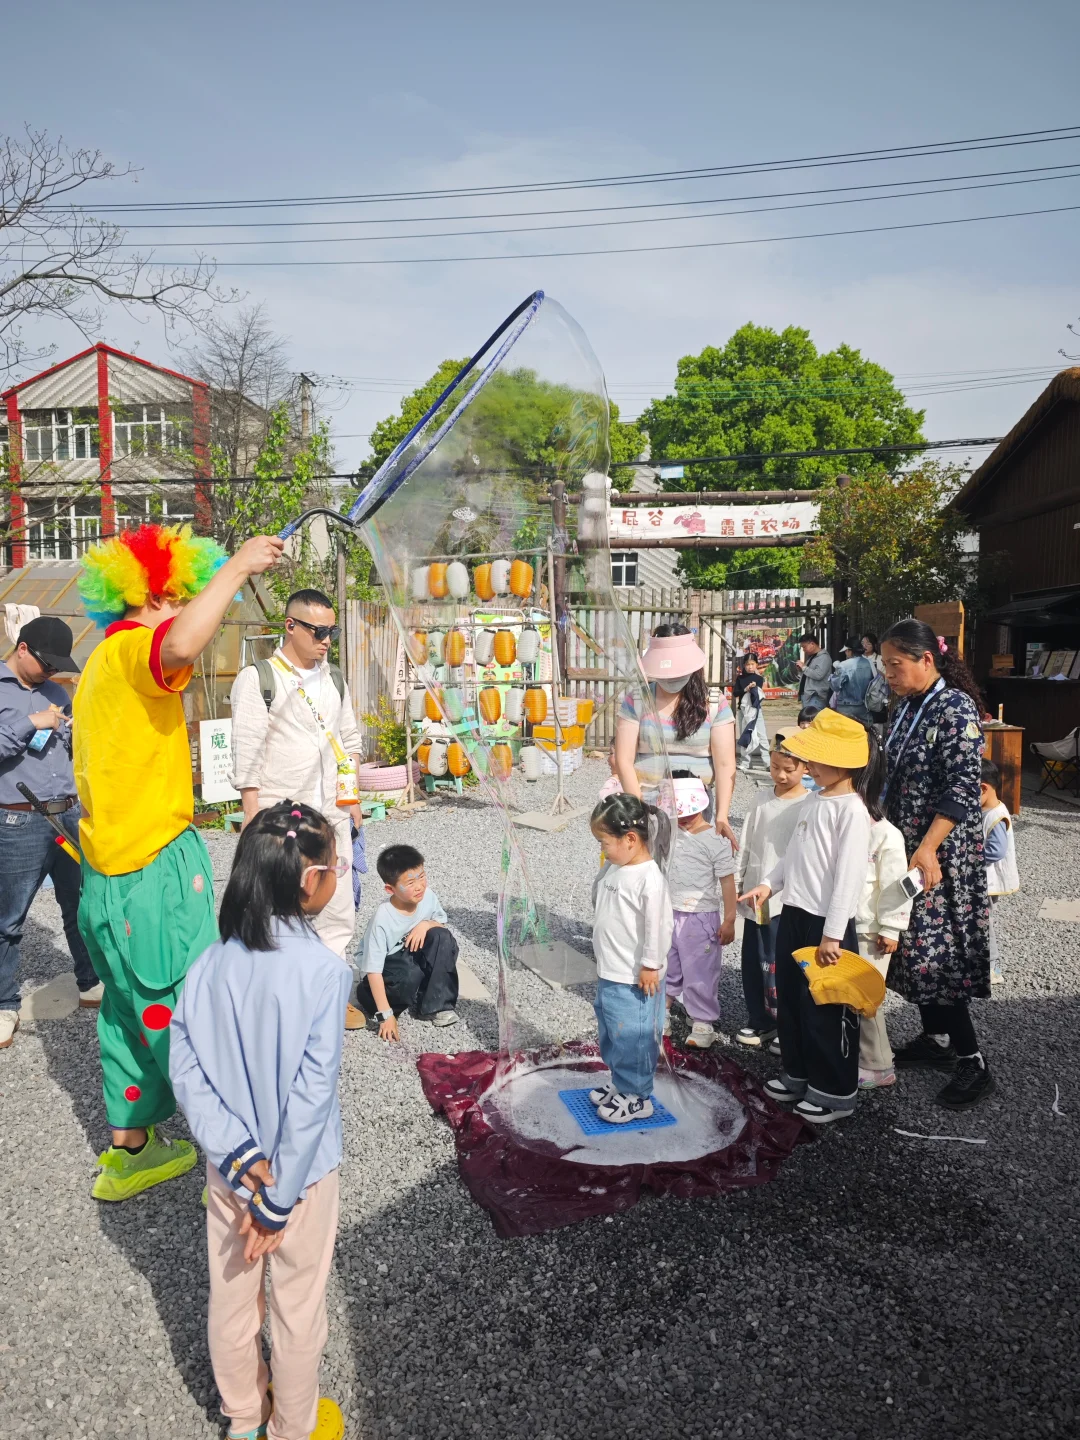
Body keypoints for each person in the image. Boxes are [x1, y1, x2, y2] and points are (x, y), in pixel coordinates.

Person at [74, 523, 282, 1201]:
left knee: (127, 1013)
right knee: (191, 1010)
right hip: (151, 873)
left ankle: (132, 1152)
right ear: (161, 591)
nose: (190, 606)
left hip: (105, 878)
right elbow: (180, 644)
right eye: (184, 594)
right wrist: (239, 565)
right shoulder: (134, 650)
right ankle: (237, 1164)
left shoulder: (97, 665)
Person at [170, 801, 350, 1440]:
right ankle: (293, 1428)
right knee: (298, 1309)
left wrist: (238, 1152)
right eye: (336, 868)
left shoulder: (209, 963)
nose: (339, 878)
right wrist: (278, 1196)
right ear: (310, 881)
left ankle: (244, 1417)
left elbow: (184, 1065)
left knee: (232, 1297)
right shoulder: (325, 973)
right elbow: (312, 1094)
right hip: (301, 1180)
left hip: (231, 1171)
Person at [229, 588, 366, 1028]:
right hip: (282, 818)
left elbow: (349, 740)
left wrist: (352, 797)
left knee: (337, 908)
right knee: (277, 907)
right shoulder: (259, 679)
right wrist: (251, 811)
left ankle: (330, 993)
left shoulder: (335, 679)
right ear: (290, 626)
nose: (326, 641)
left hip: (333, 816)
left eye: (332, 632)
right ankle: (275, 998)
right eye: (318, 631)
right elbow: (247, 747)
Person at [739, 711, 881, 1124]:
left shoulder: (851, 811)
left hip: (825, 925)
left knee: (826, 1008)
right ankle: (798, 1073)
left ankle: (833, 1092)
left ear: (843, 763)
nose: (811, 765)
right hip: (795, 912)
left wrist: (833, 934)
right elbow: (793, 854)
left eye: (817, 759)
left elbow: (849, 878)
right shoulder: (815, 800)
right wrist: (769, 884)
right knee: (793, 1001)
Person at [878, 618, 993, 1109]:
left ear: (926, 659)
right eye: (885, 666)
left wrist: (927, 847)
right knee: (911, 944)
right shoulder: (907, 705)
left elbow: (963, 786)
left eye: (895, 665)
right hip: (907, 845)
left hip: (940, 852)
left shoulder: (955, 708)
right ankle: (937, 1039)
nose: (888, 674)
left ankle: (972, 1060)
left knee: (937, 953)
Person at [0, 616, 100, 1049]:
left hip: (68, 816)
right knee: (9, 918)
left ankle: (89, 980)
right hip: (19, 819)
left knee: (81, 904)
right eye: (47, 664)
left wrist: (74, 732)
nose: (52, 672)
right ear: (22, 649)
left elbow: (71, 754)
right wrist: (31, 723)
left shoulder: (58, 693)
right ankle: (4, 1004)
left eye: (58, 666)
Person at [588, 793, 673, 1124]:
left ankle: (637, 1096)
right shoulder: (616, 866)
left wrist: (651, 965)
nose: (602, 850)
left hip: (635, 978)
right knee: (612, 1031)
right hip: (610, 969)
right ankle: (620, 1081)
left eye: (605, 842)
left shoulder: (650, 879)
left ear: (631, 839)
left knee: (633, 1037)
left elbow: (658, 927)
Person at [614, 624, 738, 847]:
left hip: (696, 807)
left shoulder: (713, 703)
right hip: (649, 802)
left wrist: (722, 815)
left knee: (692, 863)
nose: (671, 678)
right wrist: (640, 811)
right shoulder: (637, 700)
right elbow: (624, 760)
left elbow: (725, 764)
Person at [733, 738, 810, 1050]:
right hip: (756, 896)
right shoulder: (761, 799)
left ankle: (786, 1025)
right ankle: (759, 1020)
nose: (780, 775)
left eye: (788, 770)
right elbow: (746, 841)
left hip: (786, 900)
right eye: (775, 767)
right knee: (754, 960)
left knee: (780, 964)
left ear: (806, 768)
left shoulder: (809, 805)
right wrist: (738, 881)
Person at [663, 773, 736, 1050]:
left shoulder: (716, 839)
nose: (683, 817)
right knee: (668, 963)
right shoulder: (670, 834)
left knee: (700, 969)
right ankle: (662, 1010)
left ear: (702, 804)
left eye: (688, 812)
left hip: (701, 917)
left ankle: (703, 1021)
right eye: (678, 812)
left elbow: (727, 881)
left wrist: (730, 919)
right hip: (669, 911)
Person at [356, 844, 460, 1034]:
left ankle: (437, 1006)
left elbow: (441, 923)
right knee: (410, 974)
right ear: (390, 889)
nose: (419, 886)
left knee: (442, 937)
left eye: (422, 876)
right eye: (410, 883)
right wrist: (385, 1015)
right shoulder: (382, 918)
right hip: (386, 967)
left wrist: (426, 924)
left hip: (409, 954)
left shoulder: (427, 896)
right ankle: (374, 997)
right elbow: (373, 970)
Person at [855, 810, 913, 1090]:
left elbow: (896, 886)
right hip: (847, 925)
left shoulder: (887, 833)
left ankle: (879, 1065)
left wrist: (891, 927)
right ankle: (863, 1055)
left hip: (872, 929)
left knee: (868, 1000)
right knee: (849, 995)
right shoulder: (845, 825)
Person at [981, 758, 1019, 987]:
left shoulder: (996, 815)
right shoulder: (987, 809)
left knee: (984, 923)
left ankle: (992, 968)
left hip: (989, 881)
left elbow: (996, 850)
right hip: (983, 879)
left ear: (983, 788)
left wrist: (970, 856)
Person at [735, 656, 769, 773]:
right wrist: (745, 689)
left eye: (752, 664)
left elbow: (758, 694)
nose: (750, 667)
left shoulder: (759, 679)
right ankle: (745, 762)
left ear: (756, 665)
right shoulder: (740, 678)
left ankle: (767, 763)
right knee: (745, 735)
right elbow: (735, 693)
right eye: (748, 665)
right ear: (744, 665)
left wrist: (754, 687)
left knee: (762, 736)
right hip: (743, 711)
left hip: (756, 711)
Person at [829, 641, 874, 725]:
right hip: (865, 707)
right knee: (864, 730)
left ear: (849, 651)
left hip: (846, 707)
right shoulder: (869, 662)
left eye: (846, 651)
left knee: (845, 730)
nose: (845, 653)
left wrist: (832, 676)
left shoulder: (843, 665)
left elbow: (835, 686)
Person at [795, 633, 832, 717]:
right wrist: (801, 670)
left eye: (804, 647)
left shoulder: (824, 658)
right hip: (808, 695)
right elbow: (808, 674)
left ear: (812, 644)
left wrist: (804, 667)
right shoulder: (813, 657)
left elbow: (818, 675)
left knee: (812, 719)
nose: (803, 650)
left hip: (816, 696)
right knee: (808, 719)